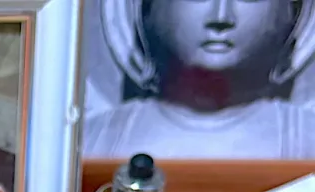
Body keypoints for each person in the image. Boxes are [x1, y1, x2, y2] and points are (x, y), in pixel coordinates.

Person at [85, 0, 315, 159]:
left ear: (289, 14)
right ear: (149, 11)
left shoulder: (305, 137)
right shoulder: (100, 137)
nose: (221, 16)